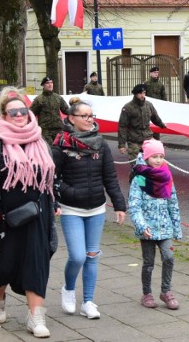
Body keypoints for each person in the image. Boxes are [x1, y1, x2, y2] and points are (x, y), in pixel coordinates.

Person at [0, 87, 60, 338]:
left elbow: (51, 174)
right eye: (14, 112)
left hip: (37, 214)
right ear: (3, 115)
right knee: (4, 264)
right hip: (5, 217)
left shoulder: (39, 139)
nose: (20, 115)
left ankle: (36, 317)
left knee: (36, 263)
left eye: (23, 110)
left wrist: (55, 201)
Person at [52, 97, 126, 319]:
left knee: (92, 255)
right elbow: (52, 178)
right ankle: (68, 288)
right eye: (84, 116)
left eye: (91, 115)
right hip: (71, 208)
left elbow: (110, 177)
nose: (89, 119)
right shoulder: (61, 145)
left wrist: (119, 205)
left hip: (96, 208)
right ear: (71, 118)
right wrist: (66, 194)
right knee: (77, 256)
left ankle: (88, 302)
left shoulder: (100, 144)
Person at [128, 139, 182, 310]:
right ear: (146, 158)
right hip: (148, 230)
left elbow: (173, 203)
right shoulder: (141, 179)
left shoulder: (166, 177)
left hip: (165, 228)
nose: (158, 160)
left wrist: (176, 227)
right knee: (148, 263)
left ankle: (166, 291)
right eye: (154, 157)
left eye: (161, 156)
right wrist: (142, 226)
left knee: (169, 257)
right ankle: (147, 293)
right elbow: (135, 206)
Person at [118, 84, 167, 182]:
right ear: (135, 94)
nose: (142, 95)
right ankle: (136, 186)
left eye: (144, 93)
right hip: (134, 141)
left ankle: (149, 186)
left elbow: (155, 118)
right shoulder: (128, 108)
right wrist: (122, 144)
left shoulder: (148, 105)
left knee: (150, 164)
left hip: (148, 139)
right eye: (140, 93)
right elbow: (122, 126)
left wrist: (162, 125)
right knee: (136, 166)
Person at [30, 76, 69, 145]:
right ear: (43, 85)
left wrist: (76, 110)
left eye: (51, 83)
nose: (50, 85)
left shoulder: (58, 97)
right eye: (47, 83)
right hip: (46, 131)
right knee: (49, 150)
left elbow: (66, 110)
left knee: (60, 149)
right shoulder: (39, 99)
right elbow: (31, 114)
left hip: (58, 129)